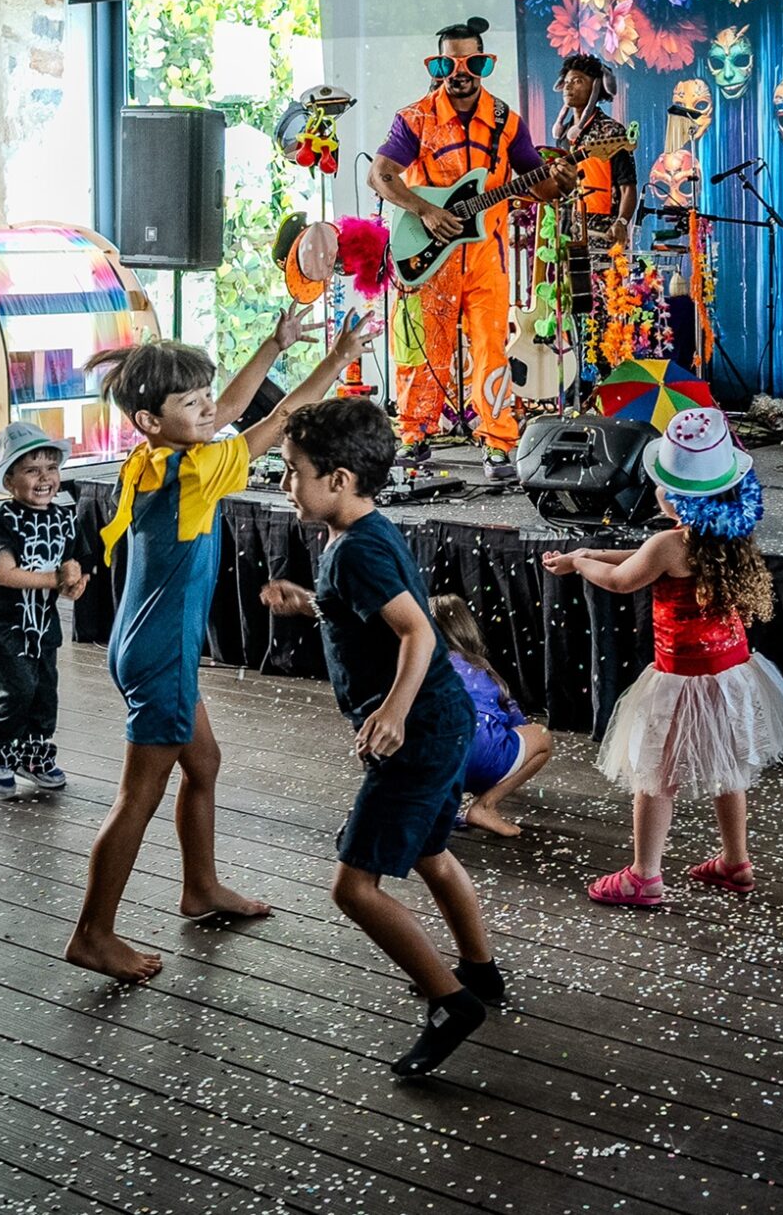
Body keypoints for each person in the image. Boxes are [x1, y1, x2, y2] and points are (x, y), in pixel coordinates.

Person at [65, 308, 370, 984]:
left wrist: (274, 341)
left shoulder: (150, 457)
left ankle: (199, 887)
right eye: (191, 400)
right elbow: (281, 419)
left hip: (136, 639)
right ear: (152, 418)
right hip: (164, 652)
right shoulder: (198, 468)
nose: (208, 407)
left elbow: (229, 405)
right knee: (136, 797)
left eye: (205, 393)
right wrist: (340, 355)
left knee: (202, 763)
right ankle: (93, 931)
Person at [254, 398, 504, 1077]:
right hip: (443, 721)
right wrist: (311, 601)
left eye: (292, 471)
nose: (284, 484)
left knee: (353, 888)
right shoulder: (360, 535)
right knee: (429, 852)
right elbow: (377, 609)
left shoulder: (357, 550)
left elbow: (418, 631)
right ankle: (480, 971)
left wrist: (391, 712)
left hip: (417, 731)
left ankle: (451, 1002)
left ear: (338, 478)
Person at [542, 407, 783, 908]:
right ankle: (735, 861)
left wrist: (581, 563)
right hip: (730, 675)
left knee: (653, 776)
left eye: (662, 485)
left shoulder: (669, 542)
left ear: (678, 498)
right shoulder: (726, 534)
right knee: (728, 770)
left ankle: (645, 875)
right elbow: (643, 559)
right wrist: (587, 555)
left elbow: (627, 580)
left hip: (681, 679)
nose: (656, 492)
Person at [369, 16, 555, 482]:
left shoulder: (505, 120)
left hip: (486, 257)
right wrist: (425, 211)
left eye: (470, 61)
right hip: (427, 257)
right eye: (449, 62)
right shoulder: (415, 118)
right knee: (421, 349)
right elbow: (382, 174)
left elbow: (538, 183)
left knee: (492, 349)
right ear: (437, 66)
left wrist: (559, 182)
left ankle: (498, 444)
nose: (461, 71)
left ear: (483, 63)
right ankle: (414, 436)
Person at [0, 421, 89, 799]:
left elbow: (76, 562)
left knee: (44, 693)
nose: (44, 478)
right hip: (0, 626)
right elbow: (5, 574)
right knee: (17, 689)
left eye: (51, 468)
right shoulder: (1, 522)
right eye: (32, 470)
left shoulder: (64, 517)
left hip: (42, 626)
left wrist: (76, 581)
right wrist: (56, 580)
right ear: (10, 480)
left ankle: (32, 756)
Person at [429, 592, 555, 838]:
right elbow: (515, 720)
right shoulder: (479, 667)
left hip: (434, 766)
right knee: (541, 738)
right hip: (482, 758)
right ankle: (485, 805)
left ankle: (435, 811)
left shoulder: (419, 667)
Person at [552, 54, 639, 353]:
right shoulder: (565, 137)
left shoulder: (611, 132)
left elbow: (628, 186)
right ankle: (579, 382)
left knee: (602, 312)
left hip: (602, 237)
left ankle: (604, 377)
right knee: (572, 309)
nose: (569, 87)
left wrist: (622, 223)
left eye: (579, 81)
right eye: (568, 80)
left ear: (595, 88)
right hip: (569, 236)